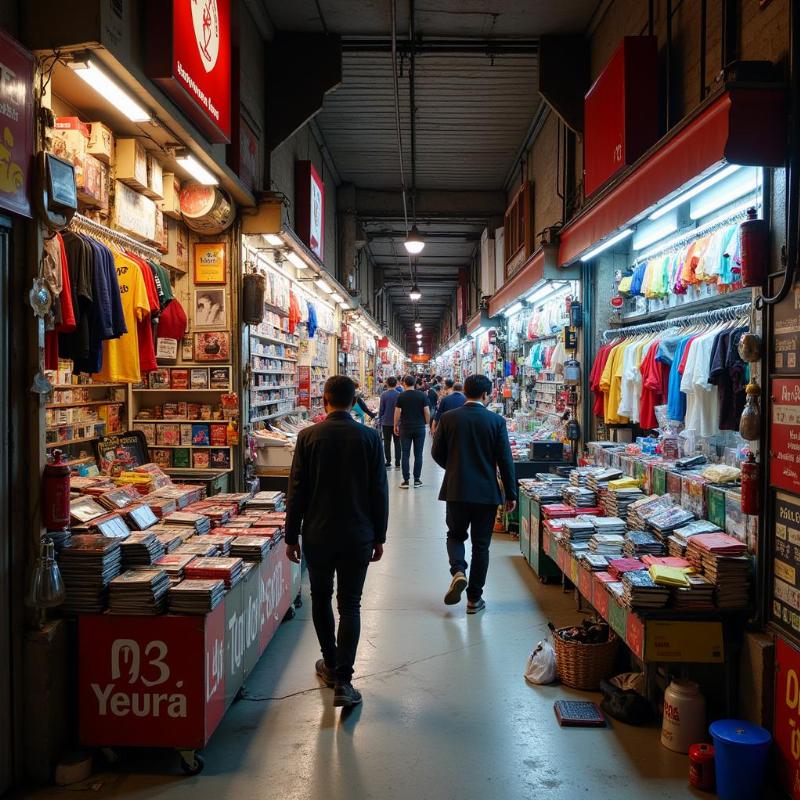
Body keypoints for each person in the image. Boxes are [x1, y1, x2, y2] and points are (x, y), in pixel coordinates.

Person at [285, 375, 389, 708]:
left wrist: (291, 535)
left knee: (319, 596)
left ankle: (329, 663)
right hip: (358, 534)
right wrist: (380, 536)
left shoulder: (307, 437)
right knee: (351, 604)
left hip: (317, 533)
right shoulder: (370, 438)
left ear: (325, 400)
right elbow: (379, 492)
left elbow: (296, 491)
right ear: (354, 399)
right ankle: (344, 679)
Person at [431, 374, 517, 614]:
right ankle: (474, 599)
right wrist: (511, 493)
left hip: (456, 489)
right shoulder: (496, 421)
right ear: (485, 395)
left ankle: (458, 569)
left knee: (455, 535)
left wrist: (455, 468)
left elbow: (436, 452)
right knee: (481, 546)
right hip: (486, 493)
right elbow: (505, 460)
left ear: (465, 392)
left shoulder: (449, 418)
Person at [394, 374, 430, 488]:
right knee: (418, 454)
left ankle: (405, 480)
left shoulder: (401, 396)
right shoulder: (422, 395)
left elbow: (397, 412)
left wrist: (395, 425)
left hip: (405, 427)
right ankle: (417, 480)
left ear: (404, 383)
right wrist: (426, 423)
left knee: (405, 453)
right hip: (419, 427)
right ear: (414, 383)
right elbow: (427, 411)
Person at [378, 376, 401, 468]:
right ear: (396, 384)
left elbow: (381, 409)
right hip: (397, 423)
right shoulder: (399, 394)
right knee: (397, 443)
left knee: (387, 442)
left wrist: (380, 418)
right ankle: (398, 462)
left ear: (387, 384)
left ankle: (388, 461)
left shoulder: (384, 395)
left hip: (386, 422)